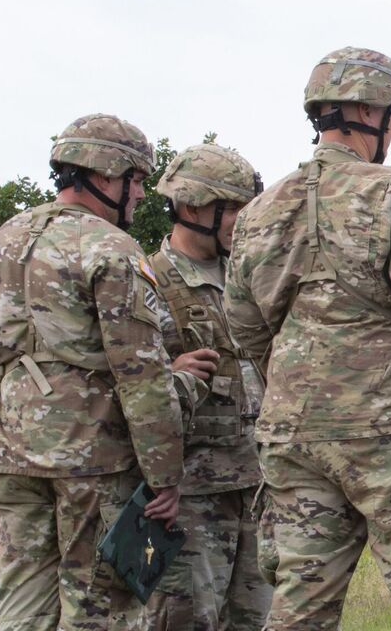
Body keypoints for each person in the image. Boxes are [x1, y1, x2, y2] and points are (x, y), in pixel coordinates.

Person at [225, 47, 391, 631]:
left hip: (293, 429)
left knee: (300, 599)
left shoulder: (259, 211)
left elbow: (242, 322)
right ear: (371, 113)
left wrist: (293, 374)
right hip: (389, 426)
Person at [0, 114, 219, 631]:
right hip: (93, 459)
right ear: (106, 175)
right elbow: (141, 376)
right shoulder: (110, 249)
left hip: (12, 452)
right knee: (98, 609)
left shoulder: (0, 243)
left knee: (19, 604)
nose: (142, 194)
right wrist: (164, 478)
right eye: (137, 179)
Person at [142, 143, 272, 630]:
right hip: (189, 493)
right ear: (193, 207)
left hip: (258, 485)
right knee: (184, 620)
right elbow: (130, 387)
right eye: (233, 208)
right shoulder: (148, 279)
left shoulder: (251, 277)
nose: (242, 220)